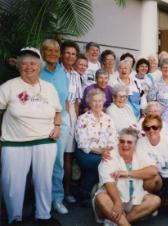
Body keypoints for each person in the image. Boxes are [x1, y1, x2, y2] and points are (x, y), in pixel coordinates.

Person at [0, 47, 61, 225]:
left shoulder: (49, 88)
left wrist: (57, 126)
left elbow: (58, 110)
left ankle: (43, 216)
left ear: (39, 66)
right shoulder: (9, 87)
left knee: (44, 182)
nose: (29, 67)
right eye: (24, 63)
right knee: (13, 184)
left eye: (33, 63)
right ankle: (15, 218)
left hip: (45, 140)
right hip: (15, 143)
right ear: (19, 66)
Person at [94, 128, 161, 226]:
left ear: (135, 145)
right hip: (113, 198)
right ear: (118, 142)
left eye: (129, 142)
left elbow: (153, 170)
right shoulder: (109, 156)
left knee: (155, 200)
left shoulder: (139, 153)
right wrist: (117, 202)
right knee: (100, 197)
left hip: (133, 198)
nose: (125, 145)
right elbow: (109, 183)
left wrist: (127, 173)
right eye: (122, 141)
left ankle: (118, 222)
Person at [40, 39, 70, 214]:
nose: (52, 53)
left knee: (58, 162)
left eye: (56, 50)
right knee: (41, 163)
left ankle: (57, 199)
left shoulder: (62, 73)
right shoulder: (38, 71)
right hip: (41, 123)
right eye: (48, 50)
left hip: (61, 122)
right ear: (43, 52)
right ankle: (40, 199)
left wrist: (65, 122)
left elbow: (65, 99)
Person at [138, 115, 168, 217]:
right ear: (144, 130)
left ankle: (163, 202)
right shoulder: (141, 143)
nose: (151, 130)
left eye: (154, 127)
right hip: (158, 180)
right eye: (147, 128)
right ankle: (152, 201)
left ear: (160, 128)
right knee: (151, 177)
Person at [75, 89, 118, 204]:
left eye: (100, 101)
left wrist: (107, 150)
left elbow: (113, 138)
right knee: (103, 163)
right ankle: (86, 195)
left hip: (105, 152)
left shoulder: (108, 118)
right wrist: (101, 152)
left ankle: (88, 192)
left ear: (104, 102)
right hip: (86, 154)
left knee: (108, 163)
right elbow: (82, 143)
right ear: (89, 102)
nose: (97, 104)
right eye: (94, 101)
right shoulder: (83, 119)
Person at [60, 40, 83, 204]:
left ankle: (66, 192)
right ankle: (52, 194)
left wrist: (75, 122)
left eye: (73, 54)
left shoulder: (76, 75)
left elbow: (76, 101)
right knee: (55, 157)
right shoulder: (55, 73)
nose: (70, 56)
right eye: (67, 53)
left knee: (68, 155)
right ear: (62, 54)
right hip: (57, 115)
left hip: (72, 117)